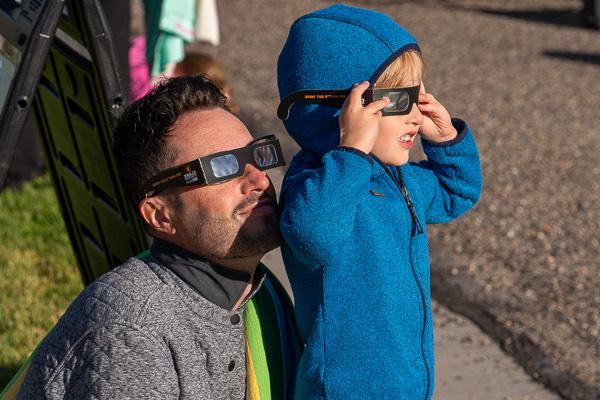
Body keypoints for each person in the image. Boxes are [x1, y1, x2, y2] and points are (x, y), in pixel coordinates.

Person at [17, 75, 299, 399]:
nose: (259, 180)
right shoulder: (134, 331)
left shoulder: (261, 294)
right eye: (222, 168)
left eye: (256, 157)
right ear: (160, 216)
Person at [276, 5, 482, 399]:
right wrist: (351, 152)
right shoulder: (318, 183)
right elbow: (314, 235)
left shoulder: (397, 178)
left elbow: (458, 193)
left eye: (417, 96)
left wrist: (444, 141)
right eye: (400, 99)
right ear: (342, 108)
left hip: (408, 384)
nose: (415, 116)